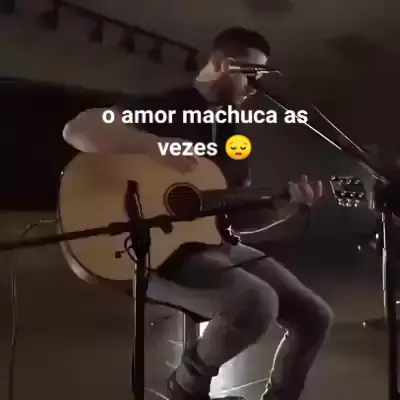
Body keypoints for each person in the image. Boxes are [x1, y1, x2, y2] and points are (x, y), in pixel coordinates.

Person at [63, 27, 334, 400]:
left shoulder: (232, 135)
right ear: (221, 63)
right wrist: (157, 145)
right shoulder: (168, 106)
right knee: (258, 301)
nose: (255, 86)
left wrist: (285, 209)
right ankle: (186, 386)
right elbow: (78, 129)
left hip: (211, 246)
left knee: (316, 316)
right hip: (151, 252)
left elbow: (232, 218)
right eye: (250, 73)